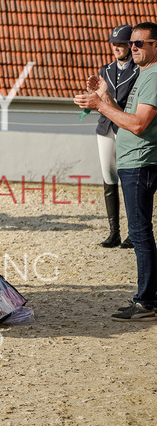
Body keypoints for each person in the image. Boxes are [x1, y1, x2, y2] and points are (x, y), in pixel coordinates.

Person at [75, 22, 157, 321]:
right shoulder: (146, 74)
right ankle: (149, 297)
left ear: (155, 45)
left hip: (140, 161)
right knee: (141, 232)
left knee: (139, 233)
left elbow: (137, 124)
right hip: (133, 160)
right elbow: (125, 114)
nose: (132, 47)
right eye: (131, 43)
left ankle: (146, 302)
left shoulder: (154, 76)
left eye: (140, 43)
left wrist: (100, 104)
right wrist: (103, 97)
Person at [95, 24, 138, 248]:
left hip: (125, 127)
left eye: (121, 44)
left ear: (130, 45)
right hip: (105, 128)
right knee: (108, 177)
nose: (117, 48)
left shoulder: (139, 70)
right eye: (114, 44)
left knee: (129, 179)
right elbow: (100, 97)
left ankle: (134, 233)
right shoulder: (105, 69)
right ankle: (114, 233)